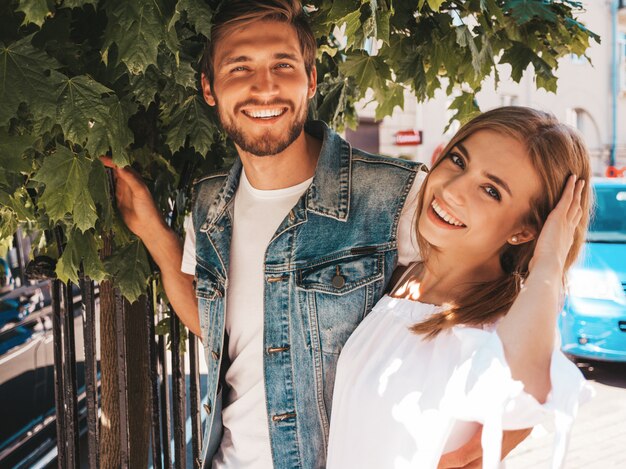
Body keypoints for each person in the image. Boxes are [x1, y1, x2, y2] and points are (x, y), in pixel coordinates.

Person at [103, 1, 529, 467]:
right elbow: (220, 332)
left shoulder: (397, 196)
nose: (263, 87)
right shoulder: (208, 204)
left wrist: (457, 456)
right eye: (238, 67)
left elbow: (507, 319)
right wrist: (154, 235)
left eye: (282, 65)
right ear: (209, 87)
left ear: (311, 80)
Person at [326, 106, 594, 469]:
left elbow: (527, 390)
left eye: (490, 190)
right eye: (457, 160)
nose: (451, 190)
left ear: (525, 231)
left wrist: (548, 261)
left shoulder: (491, 331)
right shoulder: (399, 274)